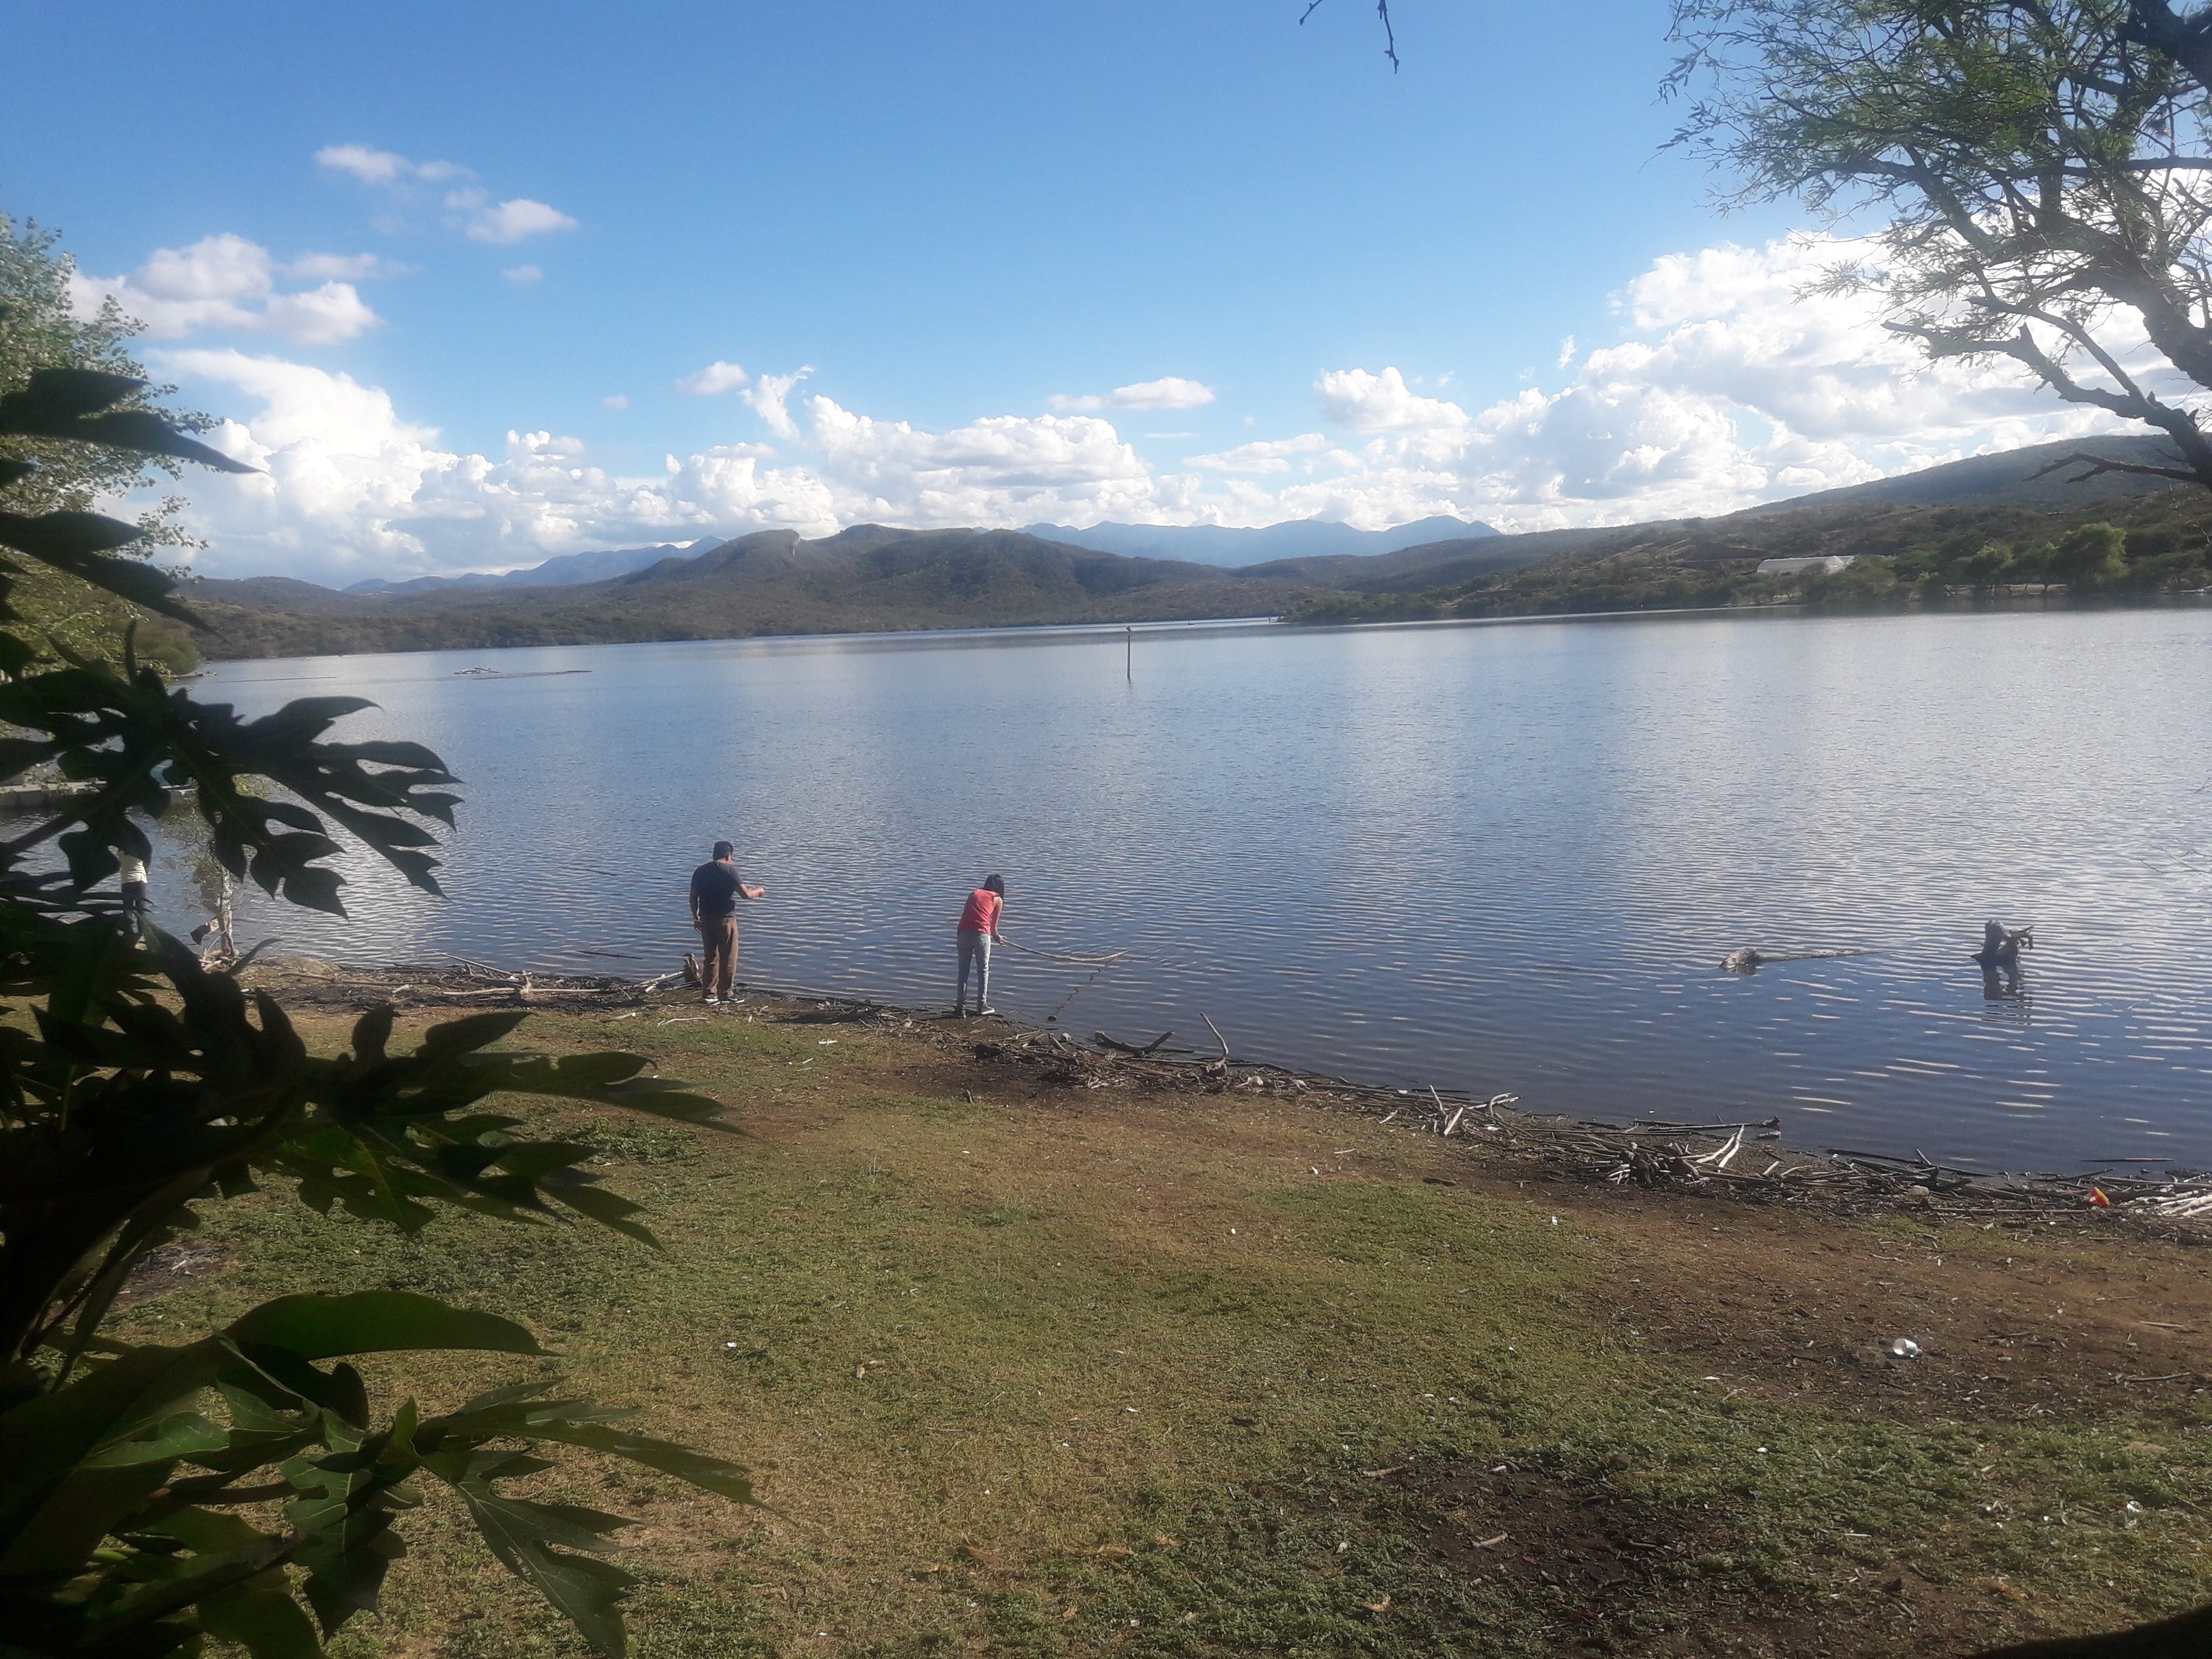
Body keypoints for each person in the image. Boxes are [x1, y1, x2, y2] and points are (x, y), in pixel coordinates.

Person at [689, 840, 765, 1005]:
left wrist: (696, 918)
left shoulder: (700, 871)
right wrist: (759, 890)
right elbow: (746, 895)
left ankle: (709, 994)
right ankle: (727, 994)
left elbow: (693, 896)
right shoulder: (730, 871)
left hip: (706, 920)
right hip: (726, 920)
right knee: (729, 957)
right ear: (729, 856)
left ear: (714, 854)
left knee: (710, 957)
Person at [954, 873, 1006, 1017]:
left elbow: (966, 915)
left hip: (963, 932)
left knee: (963, 971)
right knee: (983, 970)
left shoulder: (974, 893)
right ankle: (982, 1005)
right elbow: (992, 929)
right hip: (981, 935)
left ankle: (960, 1008)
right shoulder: (997, 899)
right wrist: (997, 937)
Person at [117, 850, 148, 940]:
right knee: (141, 910)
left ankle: (128, 933)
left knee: (127, 909)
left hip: (126, 882)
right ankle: (142, 933)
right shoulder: (139, 852)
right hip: (140, 880)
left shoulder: (120, 853)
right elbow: (147, 864)